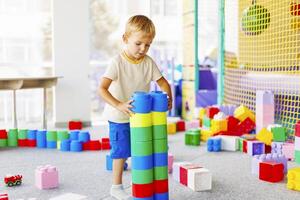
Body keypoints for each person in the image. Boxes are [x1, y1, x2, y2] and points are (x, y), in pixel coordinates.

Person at [98, 15, 172, 200]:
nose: (143, 49)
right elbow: (102, 88)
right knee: (121, 151)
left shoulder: (148, 62)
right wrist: (119, 105)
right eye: (138, 43)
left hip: (141, 118)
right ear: (125, 39)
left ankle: (139, 180)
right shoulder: (117, 62)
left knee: (142, 150)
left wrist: (168, 98)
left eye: (147, 45)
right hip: (120, 116)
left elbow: (163, 83)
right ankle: (116, 186)